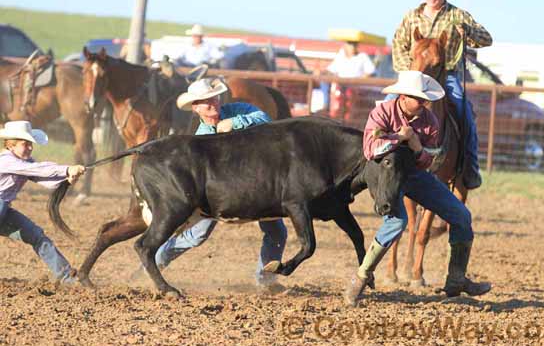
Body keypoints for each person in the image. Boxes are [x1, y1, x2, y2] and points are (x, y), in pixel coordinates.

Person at [344, 70, 491, 307]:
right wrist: (399, 138)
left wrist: (415, 147)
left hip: (413, 174)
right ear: (403, 96)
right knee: (396, 222)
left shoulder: (430, 121)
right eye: (419, 99)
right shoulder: (382, 112)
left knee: (462, 216)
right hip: (385, 174)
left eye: (425, 99)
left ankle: (456, 278)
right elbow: (370, 150)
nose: (424, 103)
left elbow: (428, 162)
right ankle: (361, 278)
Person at [142, 78, 288, 293]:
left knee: (277, 230)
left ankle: (265, 280)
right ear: (196, 108)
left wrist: (234, 123)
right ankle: (153, 262)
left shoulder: (237, 110)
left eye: (215, 99)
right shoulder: (201, 138)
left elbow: (263, 117)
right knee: (196, 234)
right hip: (219, 192)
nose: (213, 105)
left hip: (257, 183)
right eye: (206, 102)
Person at [390, 0, 493, 190]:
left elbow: (486, 39)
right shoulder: (411, 17)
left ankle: (469, 167)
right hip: (414, 75)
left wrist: (469, 31)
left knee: (463, 111)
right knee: (388, 106)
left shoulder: (458, 16)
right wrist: (406, 71)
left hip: (447, 75)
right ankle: (379, 159)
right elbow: (398, 44)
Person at [0, 121, 85, 284]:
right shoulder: (6, 160)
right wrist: (67, 169)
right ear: (11, 145)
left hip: (3, 210)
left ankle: (67, 277)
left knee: (36, 235)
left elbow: (45, 179)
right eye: (25, 144)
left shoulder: (25, 163)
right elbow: (39, 169)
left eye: (30, 144)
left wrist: (67, 179)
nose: (30, 147)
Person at [316, 40, 375, 111]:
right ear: (345, 45)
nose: (352, 46)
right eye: (350, 44)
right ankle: (327, 106)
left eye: (354, 44)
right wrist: (322, 72)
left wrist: (360, 79)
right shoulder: (341, 56)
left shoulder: (362, 56)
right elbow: (331, 70)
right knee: (325, 81)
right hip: (340, 84)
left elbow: (371, 72)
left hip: (355, 87)